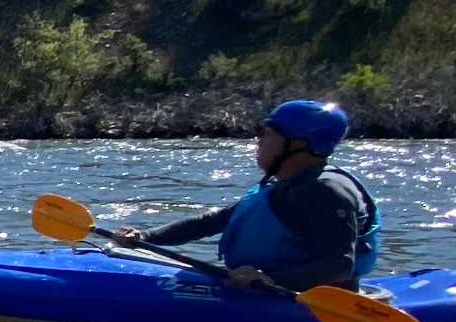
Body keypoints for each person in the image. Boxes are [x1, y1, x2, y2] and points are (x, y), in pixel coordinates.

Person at [114, 99, 381, 291]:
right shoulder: (285, 184)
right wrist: (145, 237)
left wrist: (269, 279)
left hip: (307, 299)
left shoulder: (327, 191)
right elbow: (211, 222)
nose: (259, 142)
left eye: (268, 134)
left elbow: (338, 265)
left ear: (298, 144)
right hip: (261, 286)